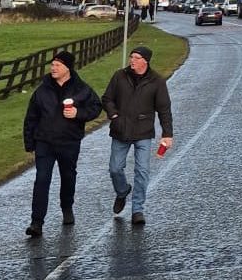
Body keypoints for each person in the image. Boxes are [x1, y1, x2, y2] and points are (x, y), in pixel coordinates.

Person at [22, 50, 102, 237]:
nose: (53, 68)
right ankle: (36, 223)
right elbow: (30, 118)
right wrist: (30, 143)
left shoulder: (81, 89)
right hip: (45, 142)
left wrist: (78, 114)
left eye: (58, 65)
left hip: (69, 141)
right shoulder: (42, 90)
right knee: (41, 180)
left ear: (67, 68)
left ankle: (67, 207)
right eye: (52, 65)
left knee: (68, 177)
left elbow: (96, 107)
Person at [101, 45, 172, 226]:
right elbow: (107, 98)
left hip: (143, 131)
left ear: (145, 61)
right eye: (131, 57)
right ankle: (123, 191)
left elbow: (164, 109)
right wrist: (114, 115)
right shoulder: (119, 76)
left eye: (136, 57)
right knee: (115, 168)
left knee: (142, 171)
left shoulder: (157, 81)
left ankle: (137, 209)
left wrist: (167, 134)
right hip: (121, 130)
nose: (132, 60)